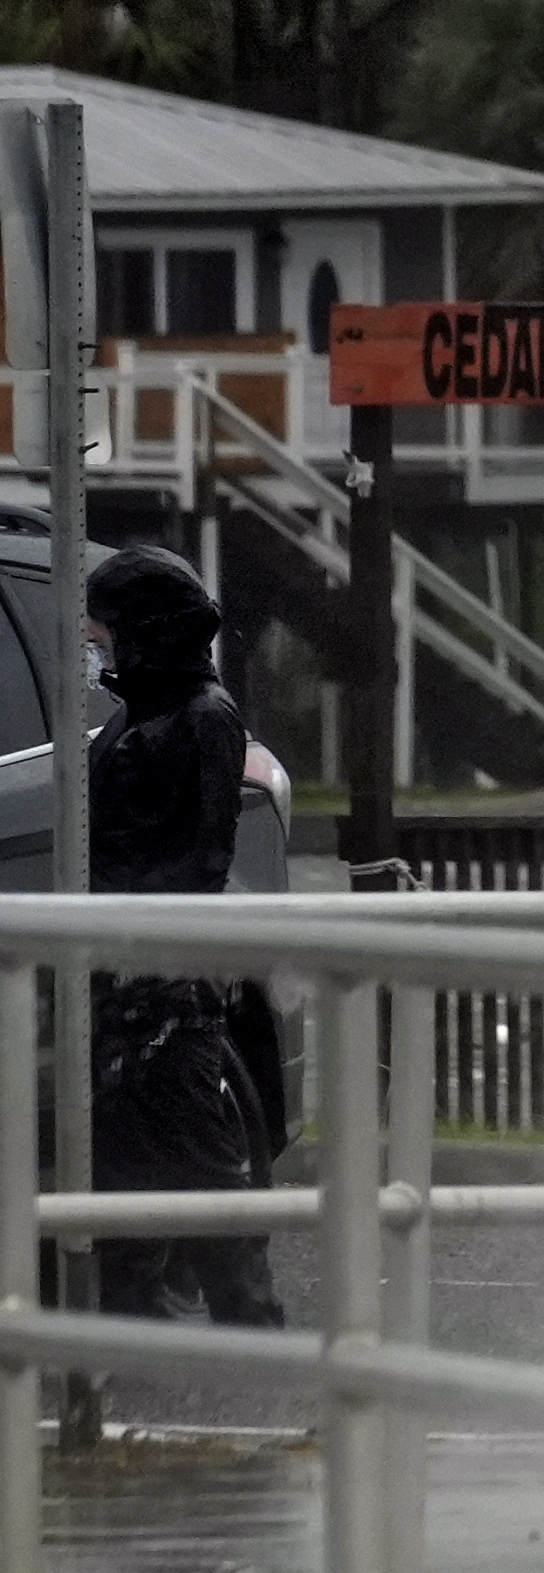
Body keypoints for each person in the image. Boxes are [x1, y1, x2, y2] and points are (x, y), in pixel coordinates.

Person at [82, 547, 286, 1325]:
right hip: (123, 969)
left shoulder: (202, 717)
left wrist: (144, 945)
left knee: (199, 1154)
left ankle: (249, 1318)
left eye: (105, 633)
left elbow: (203, 856)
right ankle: (136, 1314)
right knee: (123, 1159)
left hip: (166, 984)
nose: (96, 646)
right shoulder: (139, 715)